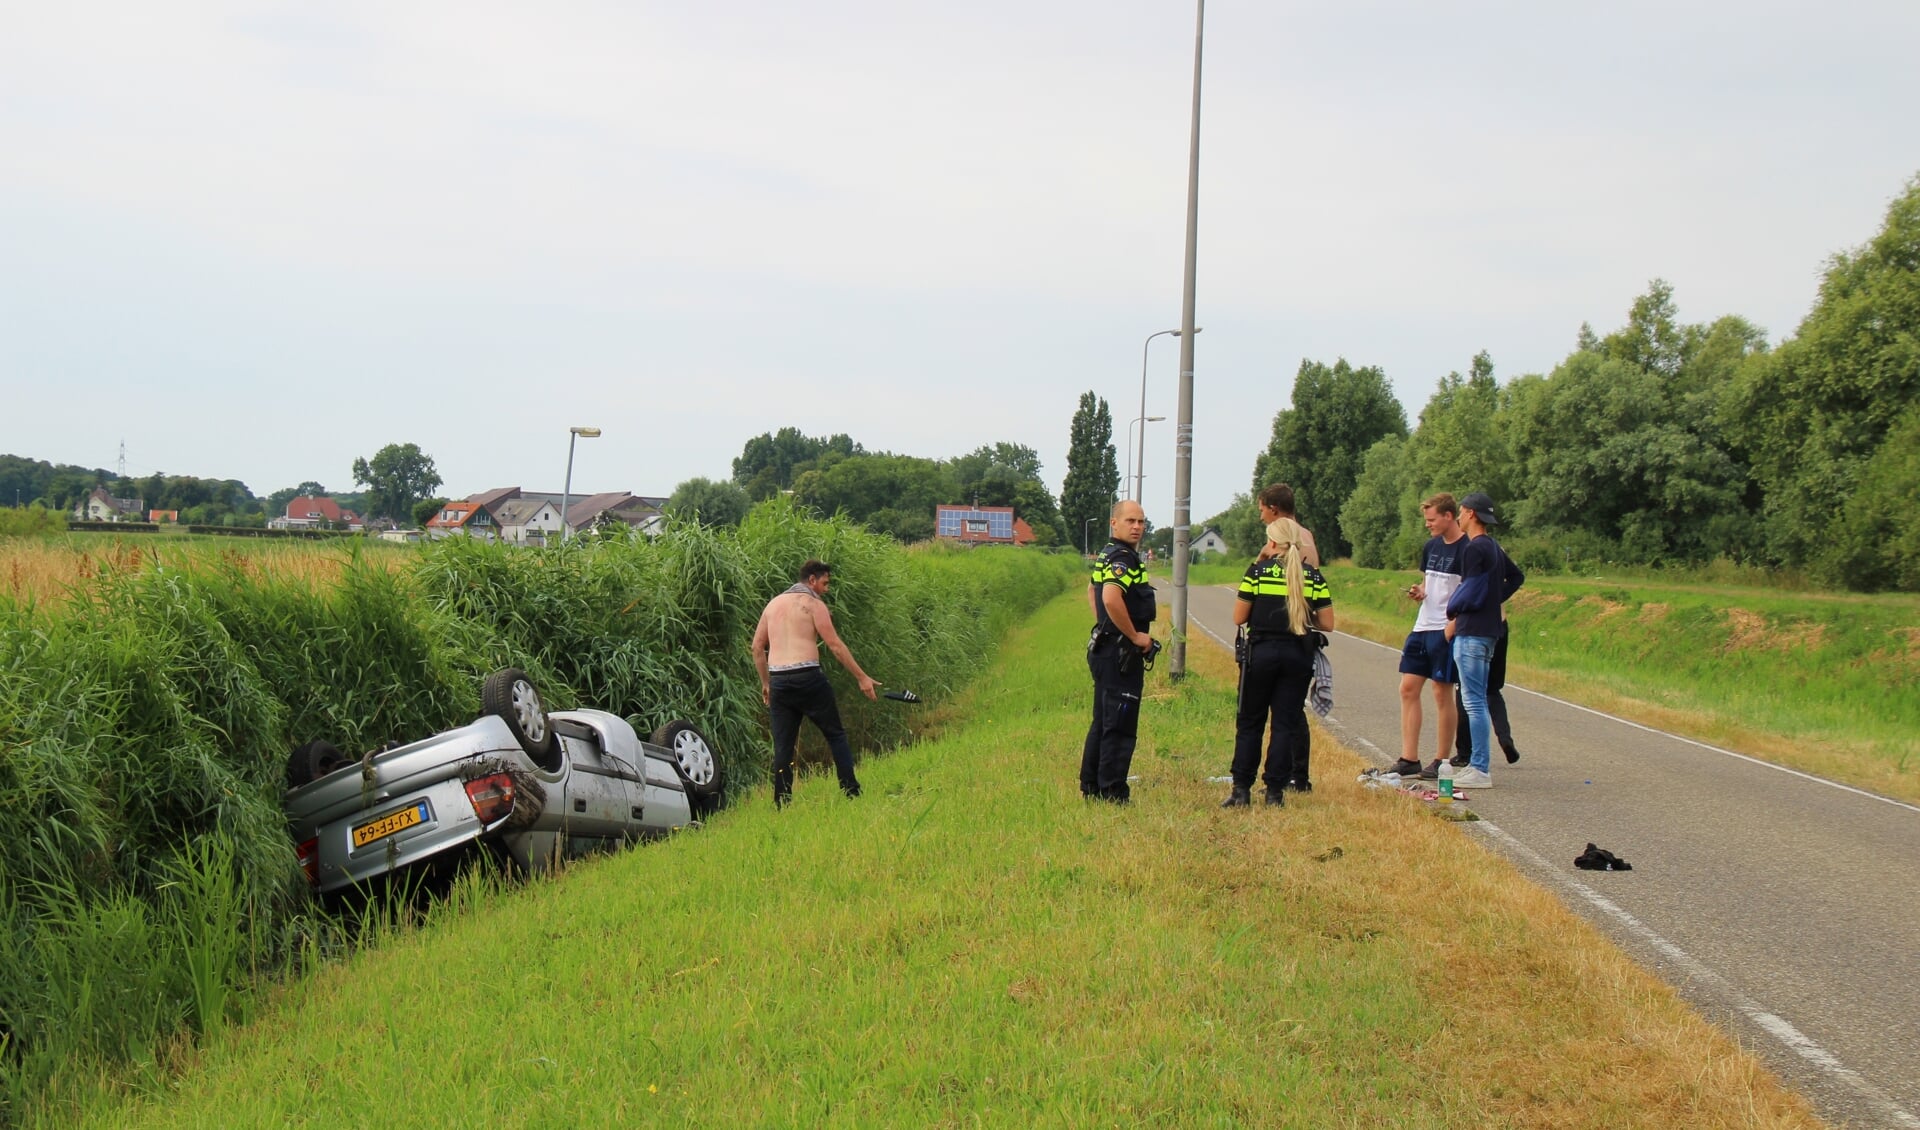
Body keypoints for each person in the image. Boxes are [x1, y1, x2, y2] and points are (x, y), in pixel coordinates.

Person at [751, 560, 879, 807]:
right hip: (808, 678)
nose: (826, 589)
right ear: (811, 580)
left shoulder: (772, 604)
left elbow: (757, 648)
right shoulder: (813, 605)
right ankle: (851, 792)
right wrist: (862, 677)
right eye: (824, 583)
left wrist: (766, 684)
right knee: (836, 735)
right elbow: (835, 646)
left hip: (779, 681)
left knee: (783, 748)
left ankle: (782, 804)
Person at [1225, 517, 1333, 807]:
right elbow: (1328, 622)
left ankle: (1241, 790)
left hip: (1261, 653)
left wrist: (1259, 561)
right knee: (1285, 723)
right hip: (1298, 654)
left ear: (1271, 543)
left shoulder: (1258, 572)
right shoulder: (1312, 576)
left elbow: (1239, 617)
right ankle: (1275, 791)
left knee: (1250, 721)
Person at [1445, 492, 1525, 788]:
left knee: (1473, 701)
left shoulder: (1473, 549)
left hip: (1472, 631)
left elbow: (1470, 587)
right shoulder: (1493, 546)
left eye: (1462, 512)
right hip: (1490, 630)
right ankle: (1477, 764)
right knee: (1476, 698)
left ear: (1471, 514)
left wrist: (1453, 608)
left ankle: (1479, 767)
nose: (1459, 516)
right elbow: (1516, 577)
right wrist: (1494, 601)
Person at [1080, 499, 1156, 804]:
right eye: (1130, 521)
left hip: (1106, 647)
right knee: (1119, 724)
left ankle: (1093, 786)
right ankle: (1112, 791)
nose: (1137, 527)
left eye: (1141, 521)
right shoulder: (1123, 558)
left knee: (1103, 720)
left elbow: (1091, 590)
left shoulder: (1108, 555)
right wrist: (1135, 635)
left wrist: (1103, 625)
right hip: (1119, 654)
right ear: (1115, 524)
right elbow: (1111, 598)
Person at [1394, 494, 1466, 780]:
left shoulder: (1467, 549)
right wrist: (1420, 592)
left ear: (1449, 516)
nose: (1428, 525)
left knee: (1441, 691)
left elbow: (1471, 590)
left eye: (1432, 520)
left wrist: (1453, 626)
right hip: (1422, 625)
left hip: (1444, 628)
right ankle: (1409, 757)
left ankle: (1441, 759)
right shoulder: (1431, 546)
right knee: (1408, 688)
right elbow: (1429, 582)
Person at [1451, 607, 1520, 768]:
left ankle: (1464, 752)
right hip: (1499, 624)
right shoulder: (1498, 581)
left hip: (1474, 628)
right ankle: (1505, 738)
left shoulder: (1472, 580)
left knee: (1466, 688)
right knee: (1492, 689)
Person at [1255, 483, 1320, 568]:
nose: (1261, 517)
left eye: (1262, 511)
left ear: (1273, 510)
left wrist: (1260, 557)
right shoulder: (1308, 534)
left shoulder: (1279, 539)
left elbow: (1258, 576)